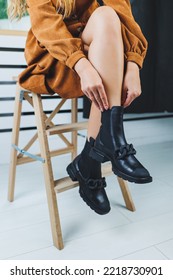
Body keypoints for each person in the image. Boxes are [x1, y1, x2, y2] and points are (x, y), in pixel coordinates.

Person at [8, 0, 152, 215]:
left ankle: (96, 153)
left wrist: (133, 64)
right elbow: (46, 23)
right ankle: (98, 154)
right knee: (106, 57)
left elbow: (123, 15)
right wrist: (82, 66)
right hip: (56, 56)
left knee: (107, 14)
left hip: (95, 49)